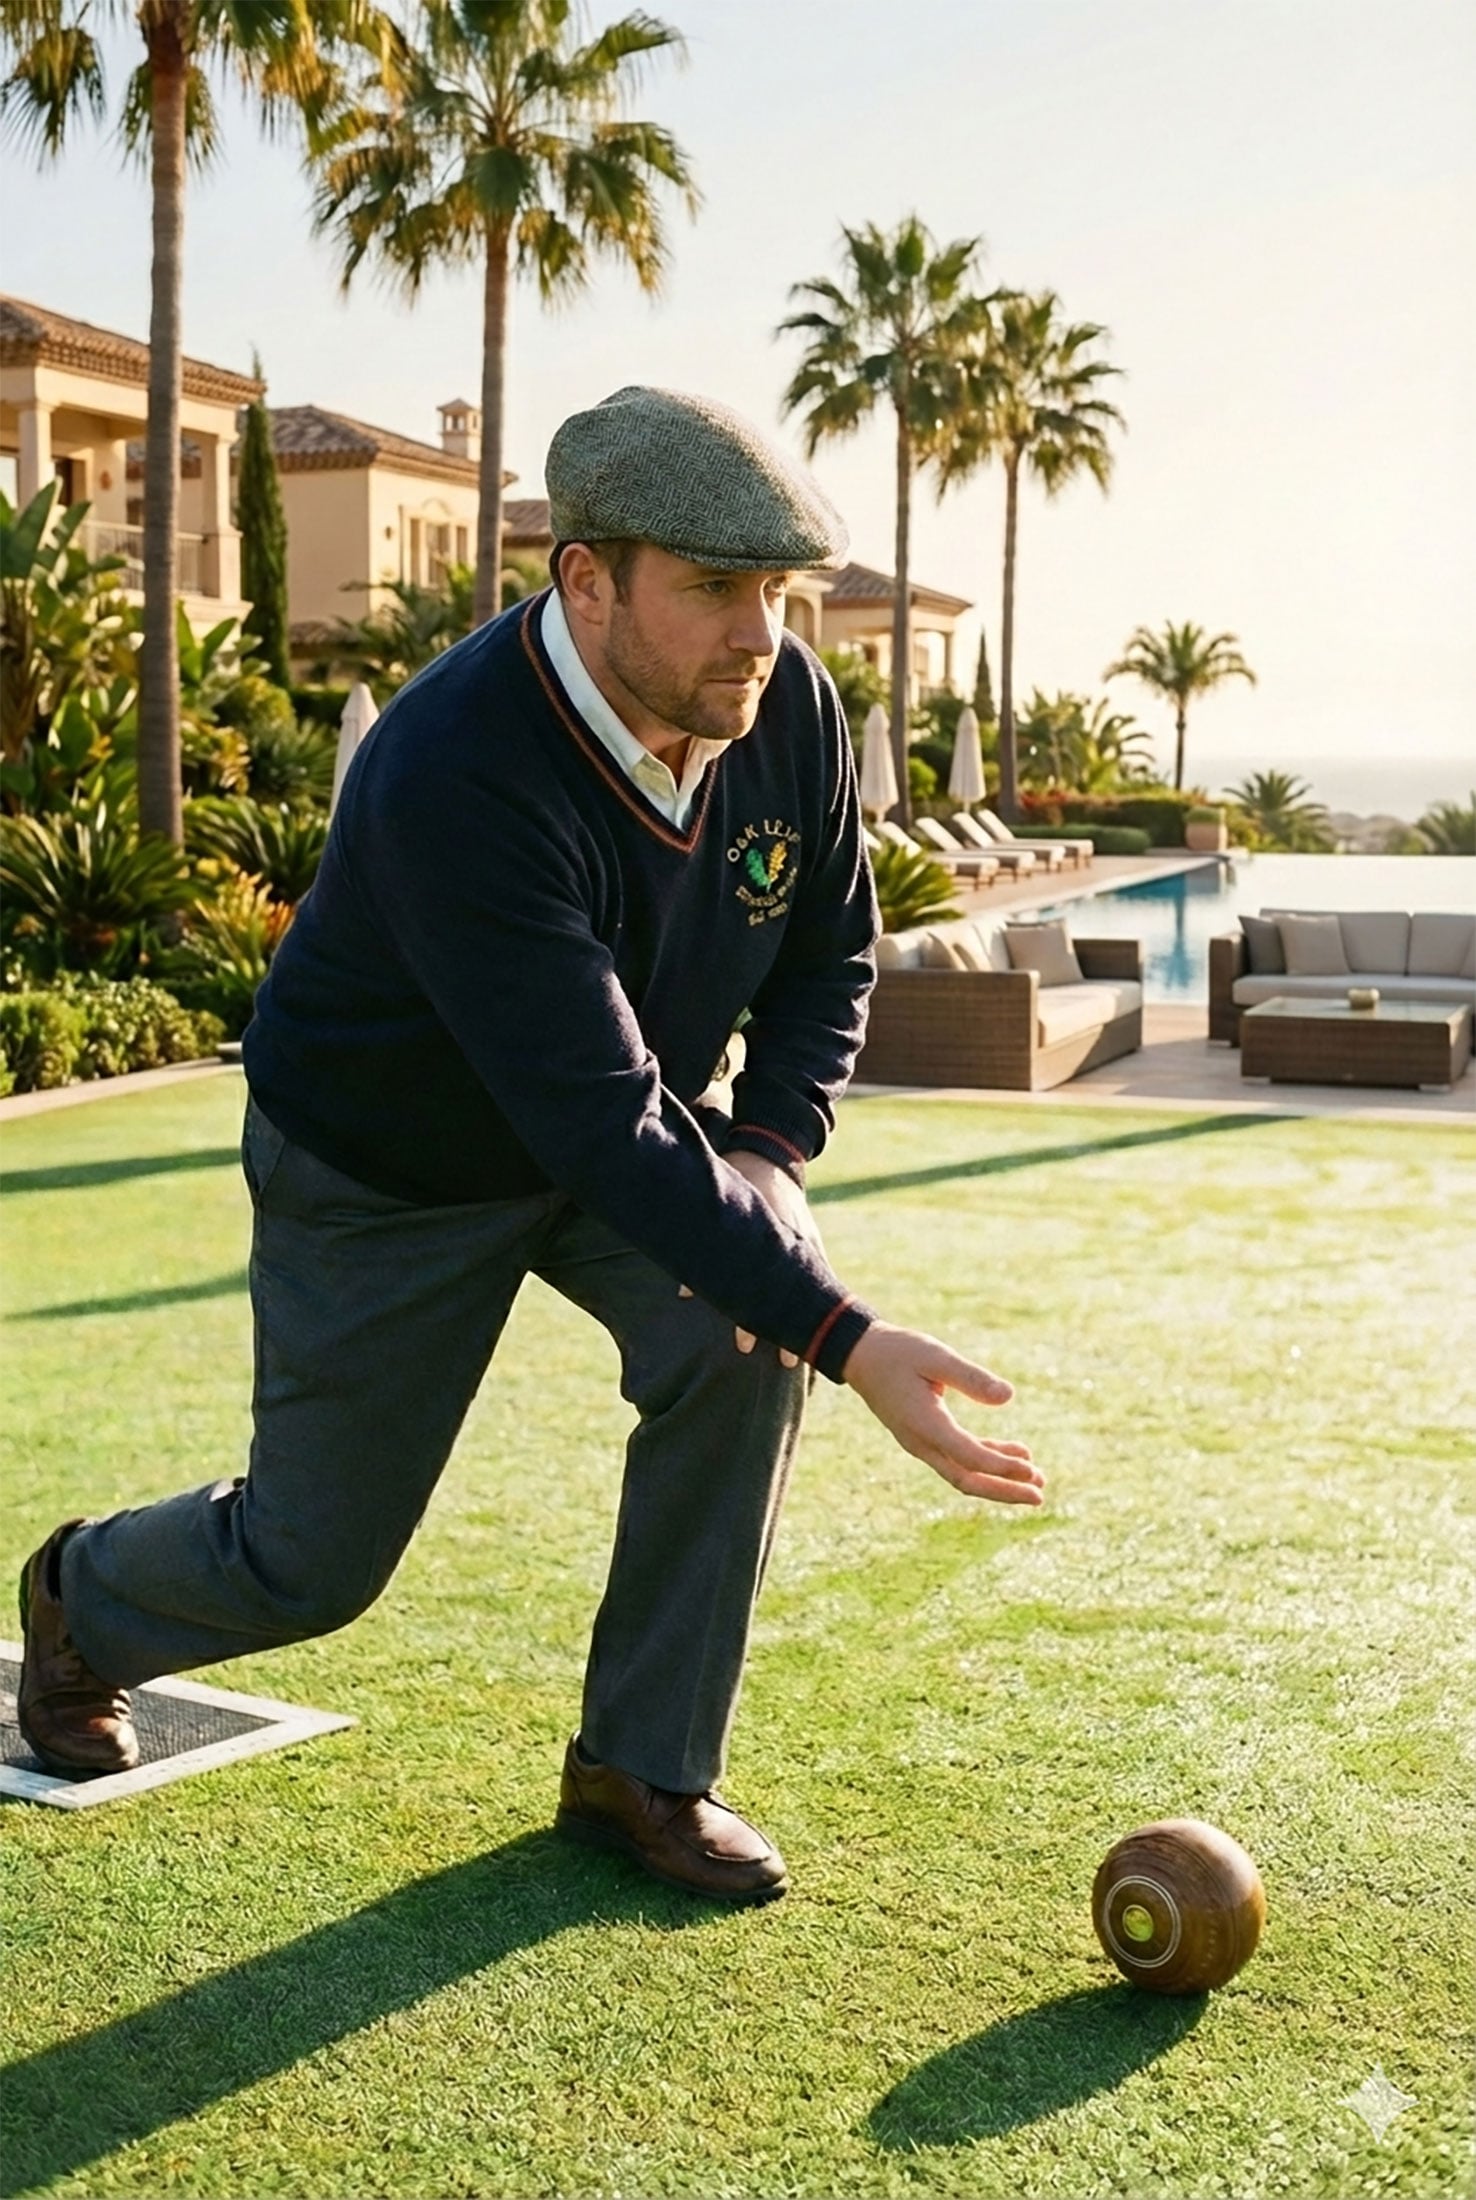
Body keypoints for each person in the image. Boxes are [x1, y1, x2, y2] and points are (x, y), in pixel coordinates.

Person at [18, 387, 1042, 1902]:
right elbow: (600, 1113)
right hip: (390, 1165)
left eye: (776, 589)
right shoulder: (454, 766)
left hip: (621, 1125)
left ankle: (642, 1767)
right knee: (311, 1564)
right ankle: (84, 1597)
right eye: (713, 588)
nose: (761, 630)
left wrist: (769, 1157)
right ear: (587, 581)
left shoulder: (788, 709)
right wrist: (848, 1332)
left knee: (738, 1339)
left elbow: (830, 953)